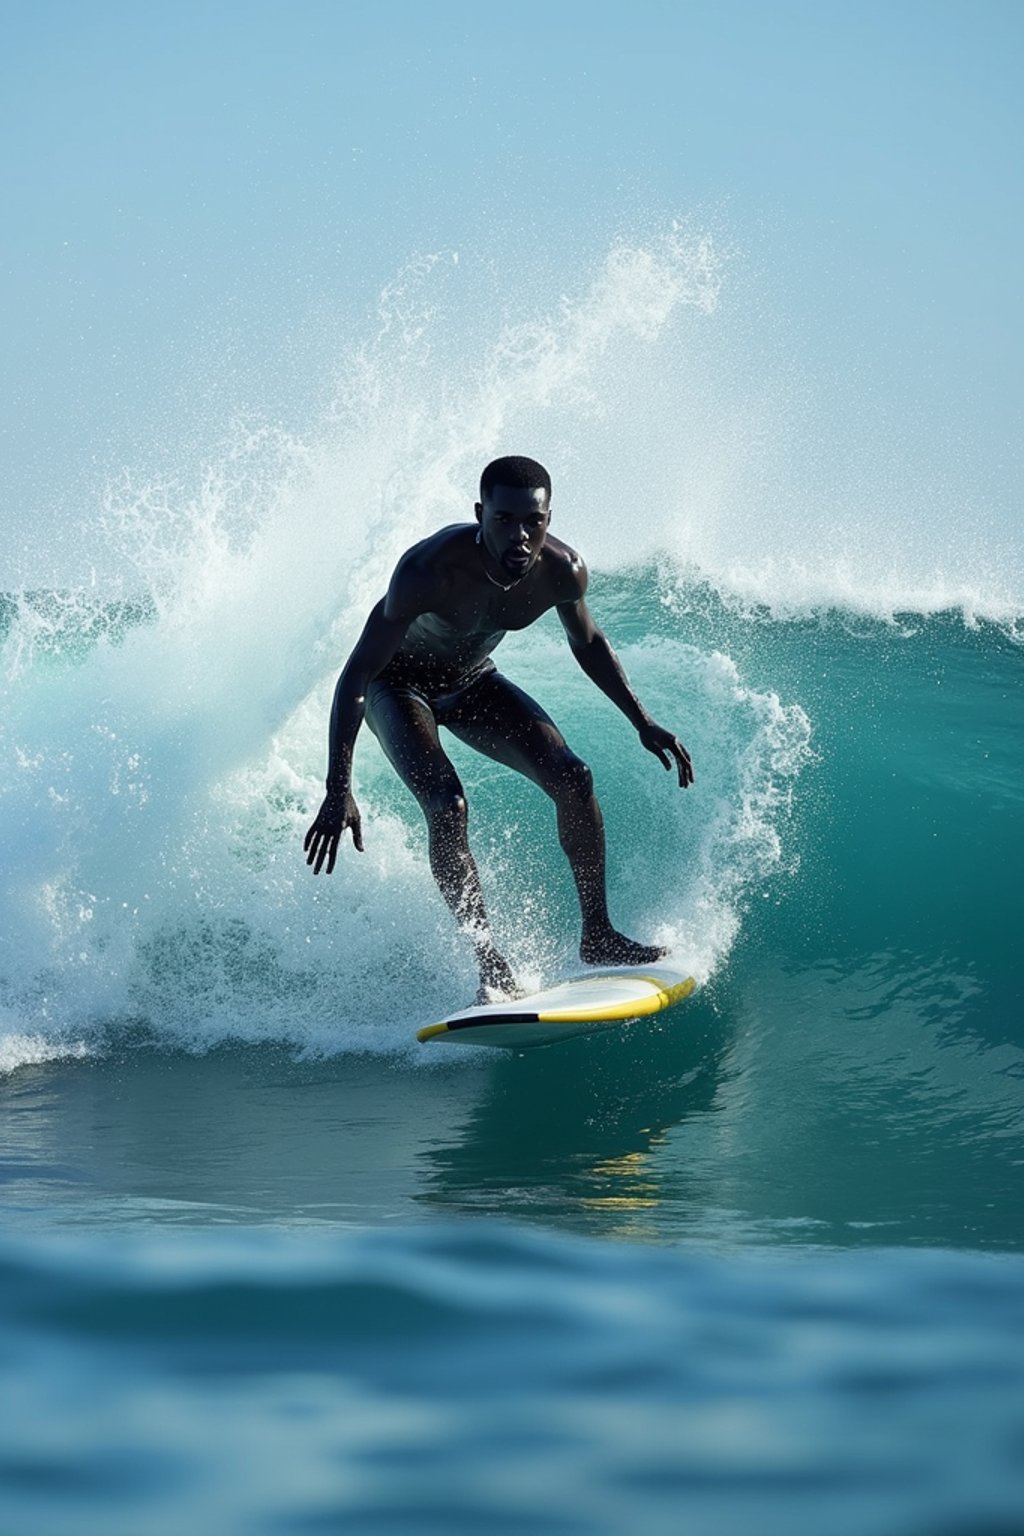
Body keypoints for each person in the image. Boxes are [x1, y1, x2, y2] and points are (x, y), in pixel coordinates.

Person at [304, 455, 693, 999]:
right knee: (447, 805)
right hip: (398, 686)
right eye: (504, 520)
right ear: (480, 513)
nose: (519, 535)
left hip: (471, 680)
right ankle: (488, 963)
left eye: (532, 522)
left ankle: (598, 935)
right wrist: (337, 788)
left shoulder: (563, 571)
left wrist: (642, 721)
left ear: (548, 520)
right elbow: (358, 675)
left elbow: (590, 643)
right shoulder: (428, 570)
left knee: (574, 778)